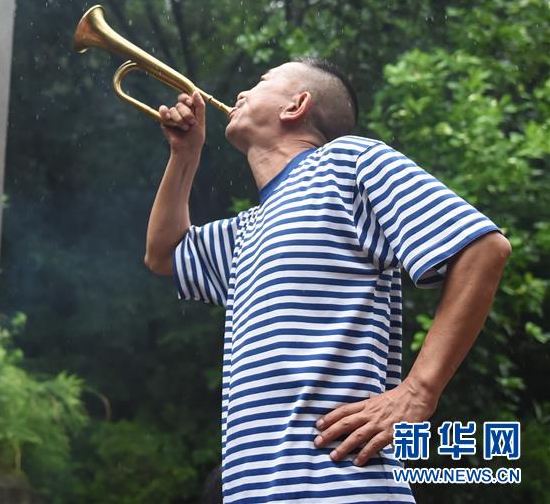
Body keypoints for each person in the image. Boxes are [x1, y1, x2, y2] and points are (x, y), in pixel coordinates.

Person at [144, 58, 511, 503]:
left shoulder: (348, 162)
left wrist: (417, 394)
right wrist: (184, 156)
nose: (240, 94)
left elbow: (484, 249)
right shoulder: (246, 229)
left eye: (259, 84)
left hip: (346, 488)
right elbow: (164, 254)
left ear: (296, 105)